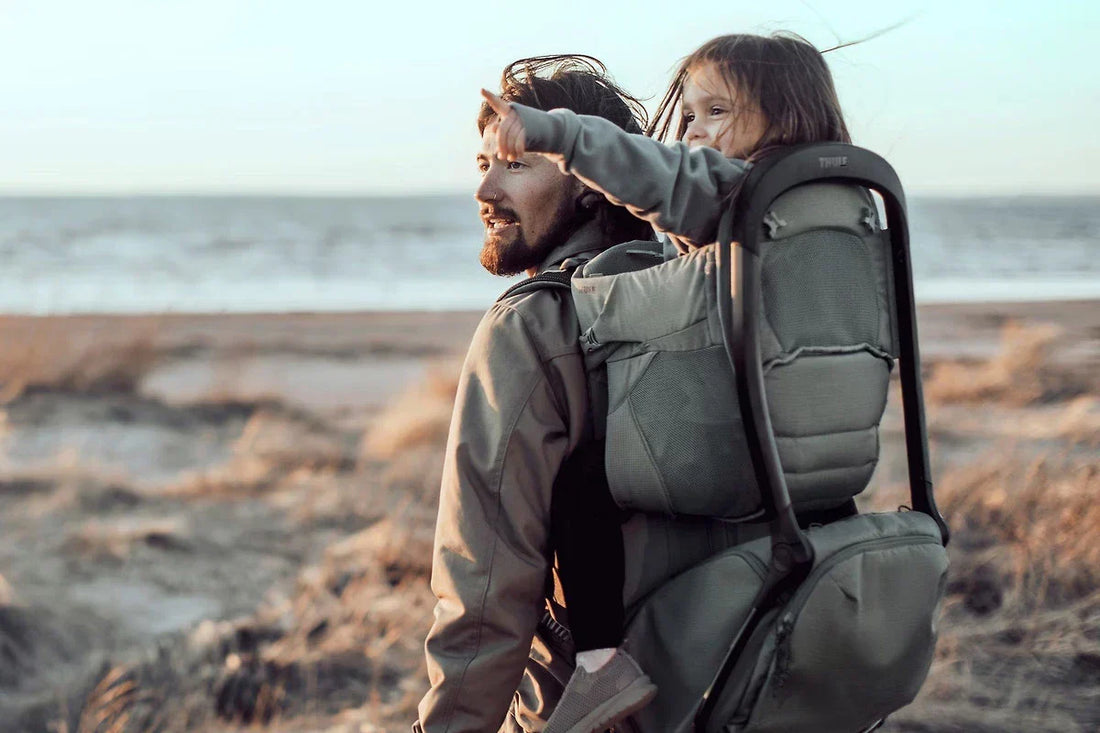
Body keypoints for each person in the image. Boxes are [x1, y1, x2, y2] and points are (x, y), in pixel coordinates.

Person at [480, 32, 854, 733]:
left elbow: (652, 174)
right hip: (818, 459)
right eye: (687, 115)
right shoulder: (847, 211)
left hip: (726, 453)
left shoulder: (737, 194)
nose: (690, 133)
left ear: (786, 117)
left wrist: (556, 135)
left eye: (714, 112)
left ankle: (597, 663)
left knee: (580, 477)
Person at [413, 55, 655, 733]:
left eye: (516, 163)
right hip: (720, 672)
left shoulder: (529, 325)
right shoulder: (690, 286)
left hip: (585, 705)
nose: (485, 189)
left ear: (593, 180)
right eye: (482, 163)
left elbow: (484, 587)